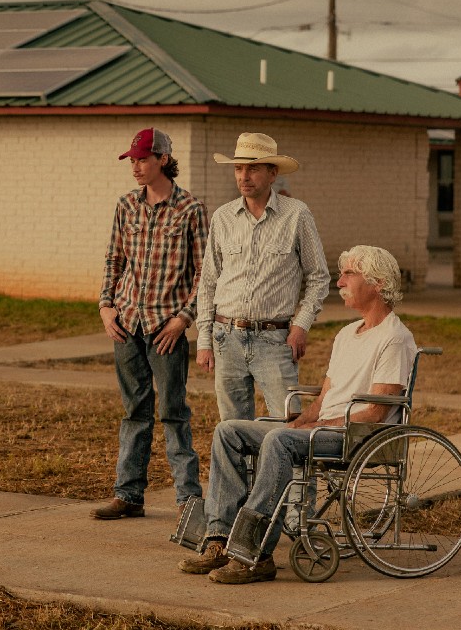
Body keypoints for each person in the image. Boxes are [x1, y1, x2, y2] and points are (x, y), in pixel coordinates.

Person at [178, 245, 417, 584]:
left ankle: (255, 554)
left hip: (357, 437)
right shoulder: (347, 334)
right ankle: (218, 540)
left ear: (377, 283)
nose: (340, 281)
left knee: (278, 440)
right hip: (326, 429)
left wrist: (319, 426)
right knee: (229, 430)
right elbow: (323, 399)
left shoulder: (395, 338)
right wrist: (302, 421)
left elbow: (376, 412)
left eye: (349, 274)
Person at [93, 127, 206, 520]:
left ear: (162, 159)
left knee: (174, 412)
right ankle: (128, 495)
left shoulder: (190, 209)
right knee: (133, 411)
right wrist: (106, 307)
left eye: (142, 159)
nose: (136, 167)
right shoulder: (126, 206)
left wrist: (183, 320)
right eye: (133, 160)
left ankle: (188, 500)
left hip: (166, 328)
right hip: (126, 322)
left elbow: (204, 273)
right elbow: (113, 261)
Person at [195, 132, 329, 422]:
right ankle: (240, 471)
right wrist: (204, 339)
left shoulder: (297, 215)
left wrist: (300, 326)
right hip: (226, 337)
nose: (244, 176)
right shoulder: (223, 217)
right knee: (233, 431)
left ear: (273, 173)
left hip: (275, 339)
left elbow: (319, 276)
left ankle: (280, 471)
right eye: (238, 168)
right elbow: (207, 282)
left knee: (288, 428)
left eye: (253, 168)